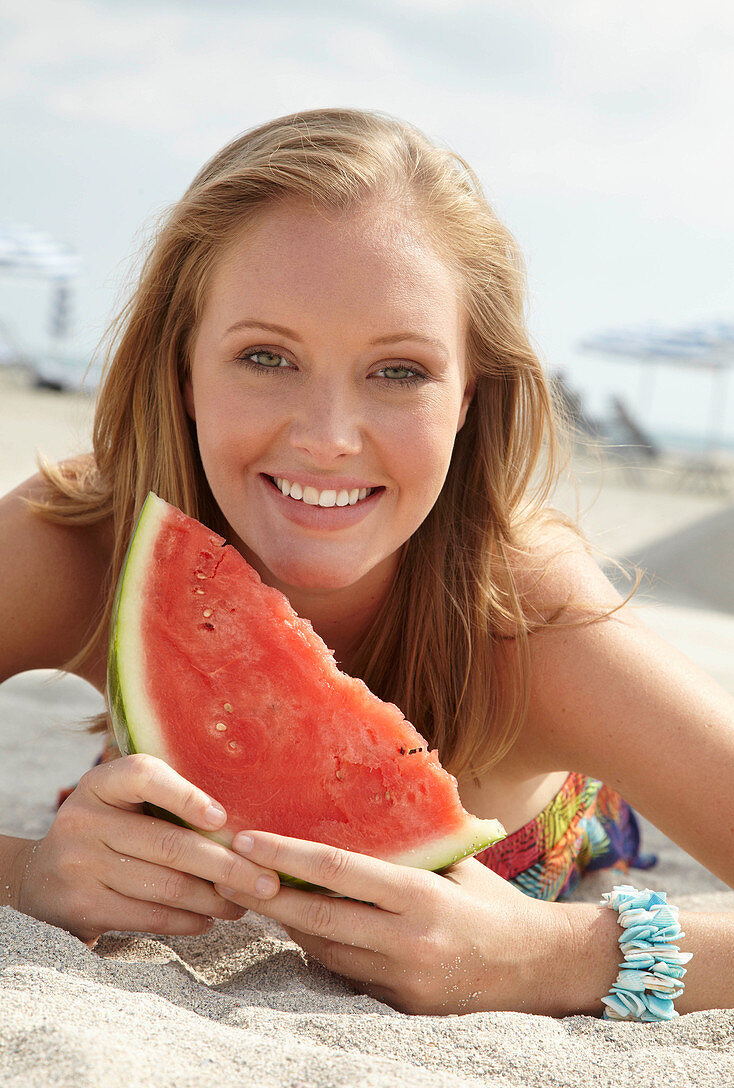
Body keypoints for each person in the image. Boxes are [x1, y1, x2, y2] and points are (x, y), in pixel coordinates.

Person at [1, 107, 732, 1019]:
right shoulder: (79, 540)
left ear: (470, 395)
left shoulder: (529, 619)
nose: (328, 439)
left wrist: (554, 958)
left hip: (570, 844)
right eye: (265, 357)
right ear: (182, 367)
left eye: (399, 372)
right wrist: (27, 866)